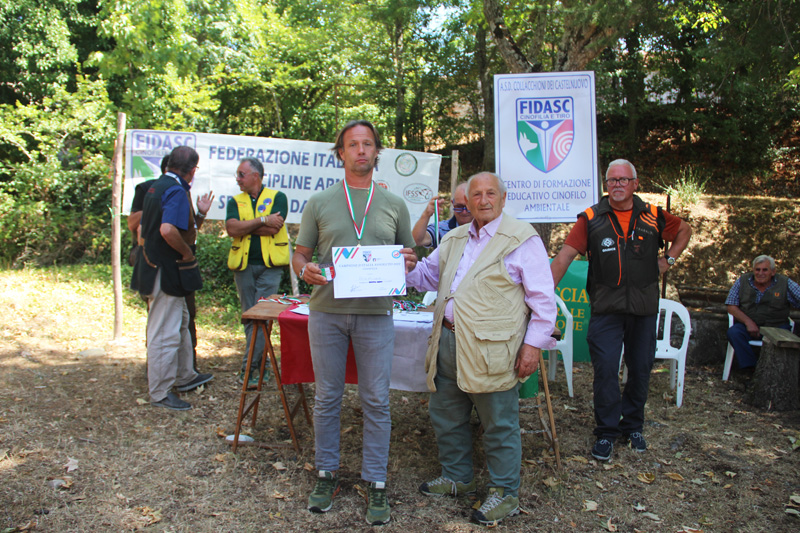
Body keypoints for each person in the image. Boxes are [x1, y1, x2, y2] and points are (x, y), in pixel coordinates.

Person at [401, 171, 557, 527]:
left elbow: (543, 302)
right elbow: (426, 275)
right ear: (467, 202)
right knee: (447, 415)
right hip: (448, 342)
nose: (483, 200)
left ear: (502, 198)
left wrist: (532, 346)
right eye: (476, 195)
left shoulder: (521, 239)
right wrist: (403, 267)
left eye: (490, 193)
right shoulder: (455, 237)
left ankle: (505, 493)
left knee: (499, 423)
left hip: (493, 349)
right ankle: (458, 477)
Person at [292, 120, 414, 525]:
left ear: (377, 152)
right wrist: (305, 268)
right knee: (327, 397)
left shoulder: (395, 204)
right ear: (340, 153)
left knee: (377, 399)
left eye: (367, 144)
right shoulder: (320, 202)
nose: (360, 151)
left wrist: (408, 262)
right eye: (352, 145)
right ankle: (326, 474)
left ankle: (376, 483)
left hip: (376, 314)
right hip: (326, 312)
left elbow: (408, 257)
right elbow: (300, 254)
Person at [551, 159, 691, 461]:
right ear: (606, 185)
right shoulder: (591, 218)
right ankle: (606, 433)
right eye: (611, 180)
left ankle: (633, 427)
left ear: (635, 184)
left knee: (640, 369)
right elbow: (564, 257)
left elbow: (685, 231)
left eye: (623, 180)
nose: (617, 185)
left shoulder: (653, 216)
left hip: (643, 310)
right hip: (605, 310)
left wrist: (670, 258)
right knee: (605, 371)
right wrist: (541, 292)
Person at [130, 146, 214, 410]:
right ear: (192, 170)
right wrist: (186, 252)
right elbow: (168, 230)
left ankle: (184, 375)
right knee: (164, 333)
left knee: (181, 322)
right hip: (166, 270)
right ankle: (160, 392)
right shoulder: (176, 190)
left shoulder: (157, 186)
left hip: (154, 266)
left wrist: (198, 215)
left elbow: (145, 228)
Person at [226, 157, 289, 388]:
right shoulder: (235, 200)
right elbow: (232, 229)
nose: (238, 179)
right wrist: (261, 220)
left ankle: (249, 368)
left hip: (270, 267)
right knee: (249, 317)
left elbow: (275, 227)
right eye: (237, 174)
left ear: (256, 175)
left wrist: (246, 227)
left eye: (241, 174)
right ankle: (259, 366)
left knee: (261, 317)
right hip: (243, 266)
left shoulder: (277, 197)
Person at [726, 255, 800, 370]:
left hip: (777, 326)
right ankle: (750, 369)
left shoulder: (785, 283)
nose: (761, 273)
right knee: (734, 333)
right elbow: (731, 306)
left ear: (773, 272)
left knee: (785, 339)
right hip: (749, 326)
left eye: (765, 270)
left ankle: (776, 373)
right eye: (757, 269)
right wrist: (748, 322)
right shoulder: (743, 280)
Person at [411, 182, 473, 248]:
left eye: (469, 207)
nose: (464, 211)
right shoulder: (441, 229)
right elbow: (416, 241)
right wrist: (426, 214)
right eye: (459, 207)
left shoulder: (484, 230)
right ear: (453, 204)